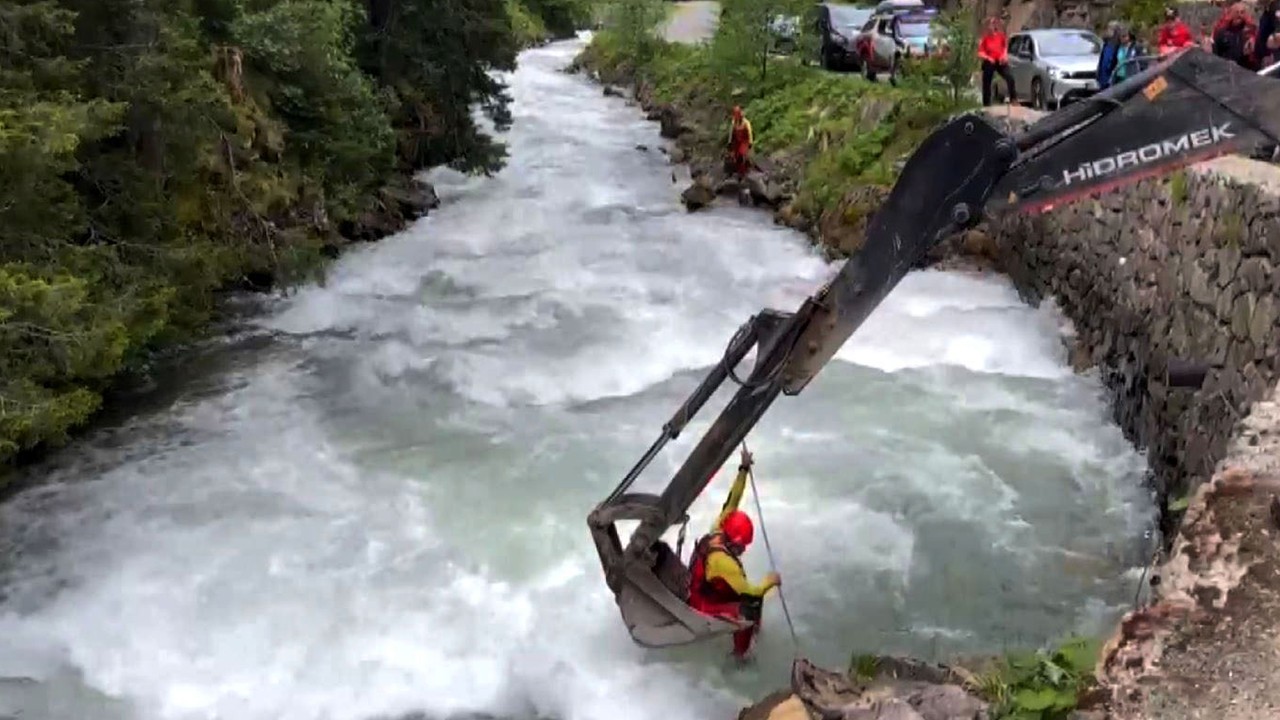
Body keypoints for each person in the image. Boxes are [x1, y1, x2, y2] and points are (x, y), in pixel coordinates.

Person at [686, 446, 781, 660]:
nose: (744, 550)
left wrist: (743, 469)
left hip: (704, 586)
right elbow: (751, 592)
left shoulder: (720, 527)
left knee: (750, 599)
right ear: (735, 542)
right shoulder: (723, 562)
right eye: (742, 546)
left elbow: (733, 499)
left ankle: (753, 633)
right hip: (701, 603)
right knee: (748, 607)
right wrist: (770, 581)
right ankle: (740, 656)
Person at [978, 16, 1016, 106]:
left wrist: (1004, 55)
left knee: (1010, 77)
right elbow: (980, 53)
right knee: (986, 81)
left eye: (992, 25)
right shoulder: (985, 38)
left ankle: (1013, 98)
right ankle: (986, 103)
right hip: (990, 61)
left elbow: (1005, 47)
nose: (990, 27)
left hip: (1000, 61)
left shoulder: (1000, 36)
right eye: (989, 25)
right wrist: (988, 57)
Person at [1213, 2, 1257, 68]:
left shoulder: (1250, 31)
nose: (1239, 15)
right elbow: (1216, 53)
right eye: (1237, 12)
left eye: (1242, 12)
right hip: (1227, 68)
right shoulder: (1222, 32)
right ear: (1231, 14)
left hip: (1246, 69)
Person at [726, 106, 754, 180]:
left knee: (741, 155)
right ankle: (739, 171)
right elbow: (731, 133)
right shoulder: (733, 123)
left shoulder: (746, 122)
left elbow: (749, 133)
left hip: (745, 141)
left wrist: (750, 143)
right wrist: (729, 143)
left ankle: (743, 172)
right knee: (735, 156)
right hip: (737, 142)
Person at [1097, 22, 1124, 90]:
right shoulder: (1106, 44)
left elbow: (1116, 61)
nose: (1107, 31)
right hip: (1102, 77)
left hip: (1111, 78)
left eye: (1110, 29)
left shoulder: (1118, 45)